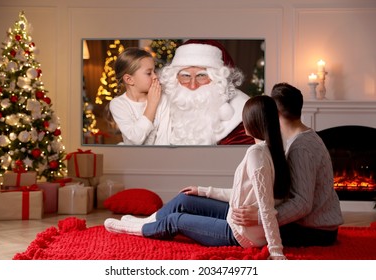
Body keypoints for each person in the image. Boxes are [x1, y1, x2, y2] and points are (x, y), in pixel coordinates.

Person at [104, 95, 291, 260]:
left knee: (175, 220)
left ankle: (132, 229)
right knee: (186, 198)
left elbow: (266, 208)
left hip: (241, 235)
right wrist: (203, 191)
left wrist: (276, 251)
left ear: (253, 121)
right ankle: (144, 222)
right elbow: (243, 193)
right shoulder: (271, 151)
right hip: (238, 220)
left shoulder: (256, 154)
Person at [233, 83, 344, 247]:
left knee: (246, 230)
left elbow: (302, 204)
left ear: (275, 112)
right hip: (316, 226)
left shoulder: (301, 147)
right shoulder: (303, 138)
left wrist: (259, 217)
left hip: (316, 231)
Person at [159, 40, 255, 145]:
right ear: (175, 78)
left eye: (201, 75)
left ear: (217, 79)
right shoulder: (164, 107)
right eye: (185, 76)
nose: (193, 85)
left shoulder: (243, 115)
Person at [106, 47, 170, 145]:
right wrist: (152, 105)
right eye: (149, 73)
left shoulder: (163, 98)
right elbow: (135, 140)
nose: (155, 76)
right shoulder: (118, 104)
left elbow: (164, 139)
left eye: (154, 71)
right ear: (129, 79)